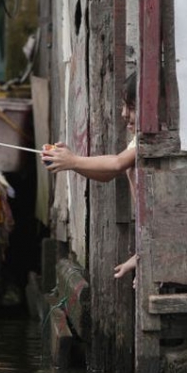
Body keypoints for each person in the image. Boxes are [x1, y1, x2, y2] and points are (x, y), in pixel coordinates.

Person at [41, 72, 138, 281]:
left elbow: (117, 163)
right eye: (124, 105)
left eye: (132, 107)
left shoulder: (152, 139)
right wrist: (70, 164)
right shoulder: (139, 140)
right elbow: (108, 174)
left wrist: (73, 160)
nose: (124, 114)